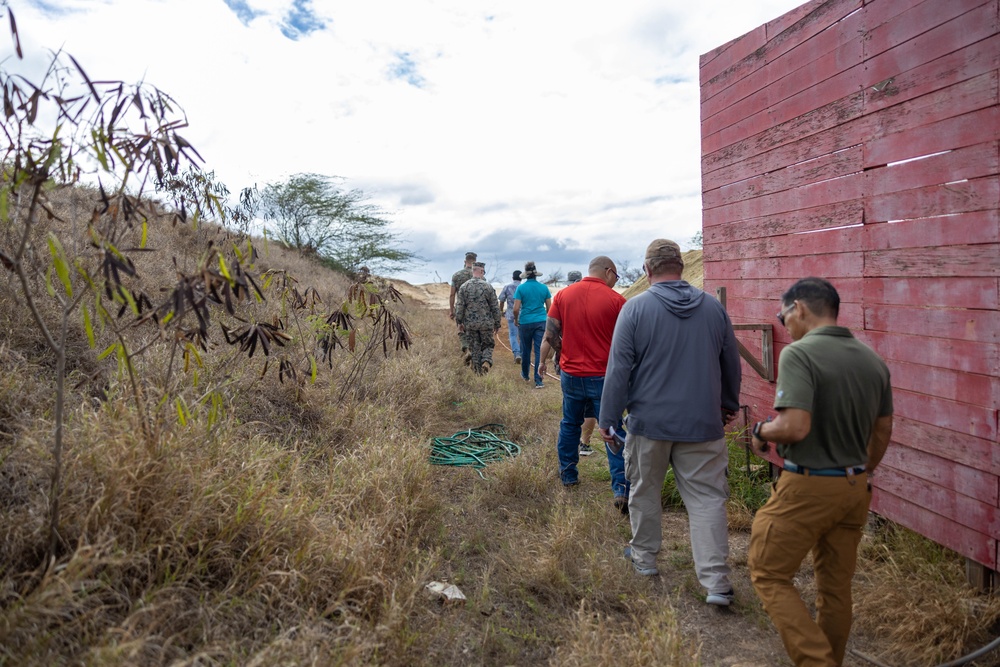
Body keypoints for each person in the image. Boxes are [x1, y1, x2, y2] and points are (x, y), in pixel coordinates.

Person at [748, 277, 893, 667]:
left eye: (783, 317)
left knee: (768, 571)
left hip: (809, 484)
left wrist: (762, 430)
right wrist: (860, 471)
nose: (784, 325)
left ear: (799, 308)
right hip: (854, 487)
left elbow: (794, 426)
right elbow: (882, 431)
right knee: (834, 588)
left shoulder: (800, 354)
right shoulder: (872, 361)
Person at [598, 239, 741, 606]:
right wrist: (726, 406)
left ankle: (644, 560)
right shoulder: (713, 308)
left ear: (647, 271)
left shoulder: (635, 309)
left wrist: (608, 419)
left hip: (649, 424)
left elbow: (618, 371)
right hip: (702, 424)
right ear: (680, 265)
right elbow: (731, 364)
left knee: (644, 490)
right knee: (707, 500)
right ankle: (716, 583)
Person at [539, 257, 629, 509]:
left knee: (570, 423)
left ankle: (568, 475)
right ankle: (621, 488)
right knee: (612, 429)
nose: (616, 282)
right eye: (617, 277)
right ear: (609, 272)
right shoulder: (617, 301)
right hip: (604, 377)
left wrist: (564, 352)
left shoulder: (563, 296)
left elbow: (550, 334)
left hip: (571, 374)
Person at [454, 262, 502, 375]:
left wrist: (459, 321)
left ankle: (477, 373)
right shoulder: (488, 287)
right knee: (488, 344)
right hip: (486, 324)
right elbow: (495, 307)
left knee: (474, 347)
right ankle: (486, 361)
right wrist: (497, 323)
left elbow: (460, 307)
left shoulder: (464, 287)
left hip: (470, 324)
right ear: (481, 271)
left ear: (473, 271)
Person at [512, 261, 551, 388]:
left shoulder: (521, 288)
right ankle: (539, 380)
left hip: (525, 321)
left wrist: (516, 320)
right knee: (539, 350)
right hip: (541, 321)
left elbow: (516, 308)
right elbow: (550, 308)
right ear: (536, 275)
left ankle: (525, 374)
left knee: (525, 349)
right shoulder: (544, 288)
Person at [449, 251, 477, 361]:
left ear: (465, 261)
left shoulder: (456, 275)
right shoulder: (479, 276)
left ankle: (466, 349)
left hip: (461, 308)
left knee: (461, 330)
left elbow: (452, 294)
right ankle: (475, 356)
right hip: (476, 309)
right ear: (475, 262)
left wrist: (452, 310)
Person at [497, 270, 523, 364]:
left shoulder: (507, 287)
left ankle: (516, 353)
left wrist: (500, 311)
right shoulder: (523, 287)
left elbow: (501, 300)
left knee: (513, 335)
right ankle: (522, 353)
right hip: (523, 315)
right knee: (521, 335)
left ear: (513, 278)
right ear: (521, 278)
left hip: (511, 314)